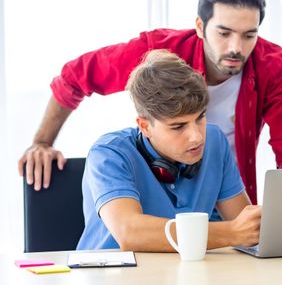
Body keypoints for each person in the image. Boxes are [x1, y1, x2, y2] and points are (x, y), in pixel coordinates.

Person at [18, 0, 282, 202]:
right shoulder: (158, 51)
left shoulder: (277, 67)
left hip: (227, 199)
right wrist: (42, 142)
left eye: (249, 35)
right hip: (158, 197)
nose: (236, 48)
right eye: (224, 33)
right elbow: (75, 77)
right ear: (200, 26)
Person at [77, 50, 260, 251]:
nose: (197, 137)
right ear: (145, 126)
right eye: (178, 126)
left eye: (200, 118)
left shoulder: (215, 140)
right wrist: (231, 232)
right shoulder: (108, 153)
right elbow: (130, 233)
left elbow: (248, 230)